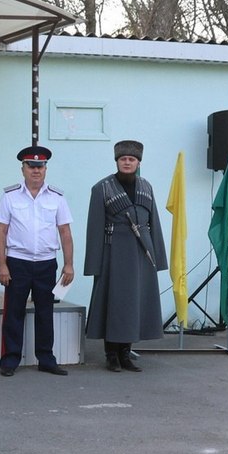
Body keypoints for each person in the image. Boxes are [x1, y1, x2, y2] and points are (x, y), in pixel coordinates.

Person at [84, 140, 168, 372]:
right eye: (123, 159)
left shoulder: (146, 187)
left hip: (141, 254)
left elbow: (154, 222)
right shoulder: (101, 188)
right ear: (117, 161)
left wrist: (158, 257)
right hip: (114, 254)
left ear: (138, 162)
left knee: (134, 304)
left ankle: (125, 353)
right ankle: (111, 354)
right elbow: (94, 228)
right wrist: (94, 264)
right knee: (114, 303)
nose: (127, 162)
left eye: (131, 159)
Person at [0, 145, 74, 377]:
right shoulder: (9, 196)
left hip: (47, 264)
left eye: (40, 166)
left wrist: (69, 264)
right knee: (13, 312)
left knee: (45, 313)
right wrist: (1, 264)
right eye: (31, 166)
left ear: (46, 169)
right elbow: (0, 232)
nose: (36, 171)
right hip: (17, 262)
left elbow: (65, 233)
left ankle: (46, 359)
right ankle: (10, 360)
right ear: (23, 169)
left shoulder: (57, 198)